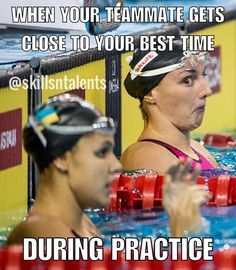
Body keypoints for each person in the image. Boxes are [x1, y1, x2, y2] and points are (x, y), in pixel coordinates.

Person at [6, 94, 209, 245]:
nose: (116, 165)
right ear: (61, 158)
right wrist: (181, 235)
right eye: (101, 153)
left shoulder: (81, 223)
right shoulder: (43, 232)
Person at [121, 39, 218, 174]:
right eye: (187, 80)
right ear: (150, 93)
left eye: (203, 75)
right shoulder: (146, 155)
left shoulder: (197, 149)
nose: (207, 90)